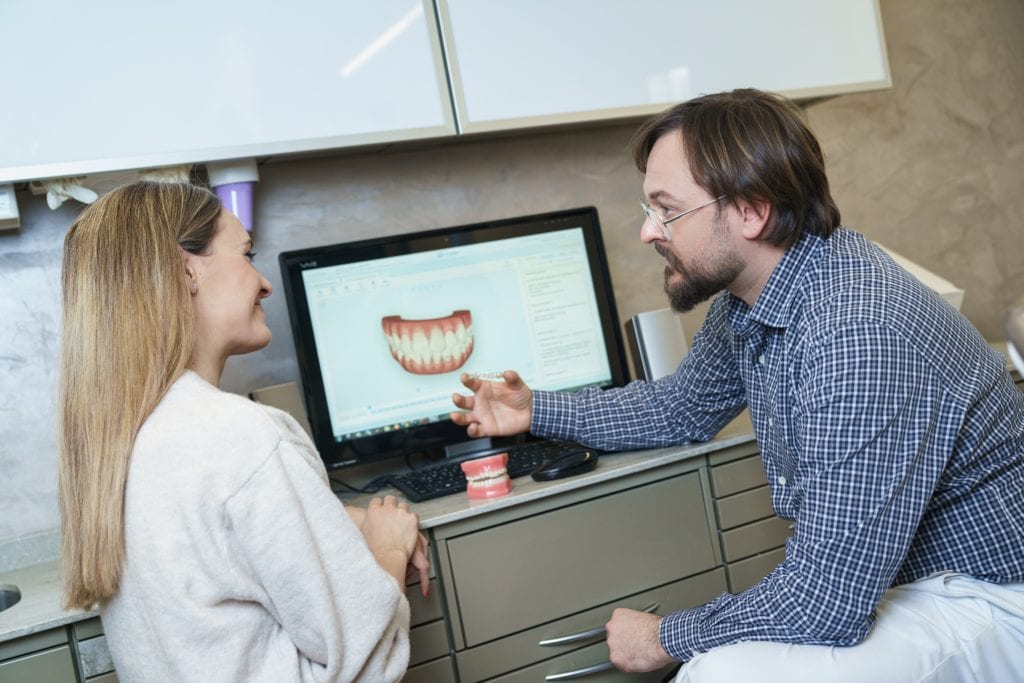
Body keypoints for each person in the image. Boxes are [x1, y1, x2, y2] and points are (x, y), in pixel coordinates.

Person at [451, 89, 1024, 681]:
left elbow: (825, 602)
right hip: (903, 582)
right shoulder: (756, 299)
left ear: (752, 212)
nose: (649, 232)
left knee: (716, 673)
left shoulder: (857, 333)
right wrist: (533, 410)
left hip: (991, 595)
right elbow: (678, 410)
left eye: (666, 210)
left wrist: (664, 637)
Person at [58, 181, 428, 682]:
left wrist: (340, 519)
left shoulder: (121, 443)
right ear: (187, 270)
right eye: (247, 254)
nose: (265, 283)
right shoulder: (243, 435)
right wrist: (388, 545)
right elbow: (366, 664)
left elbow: (216, 541)